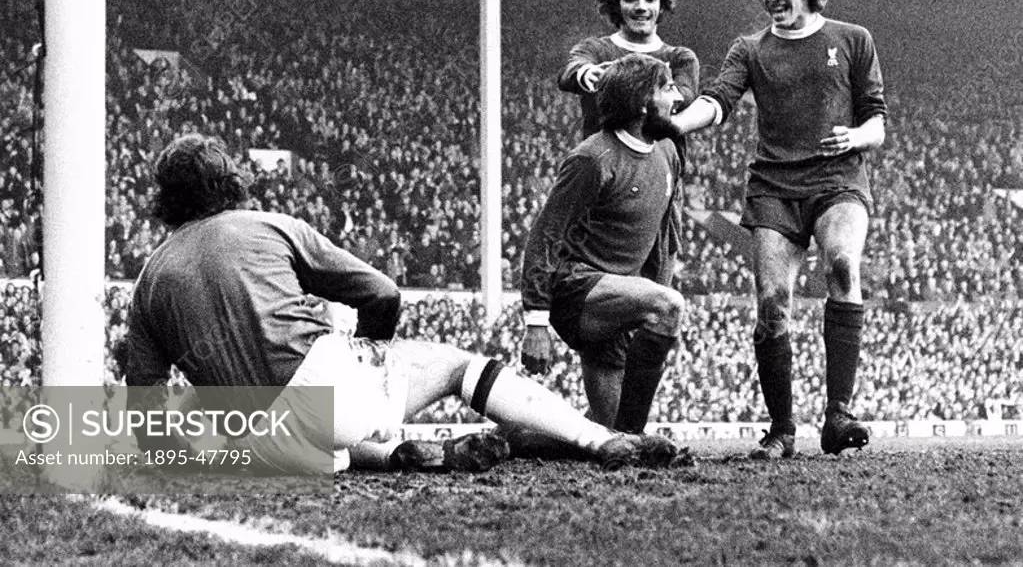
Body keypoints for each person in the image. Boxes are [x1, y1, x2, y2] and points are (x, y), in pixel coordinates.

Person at [122, 134, 680, 474]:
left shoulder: (149, 280)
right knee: (461, 367)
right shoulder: (267, 225)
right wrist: (372, 356)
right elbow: (382, 292)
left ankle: (390, 454)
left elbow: (145, 414)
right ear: (230, 183)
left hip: (261, 443)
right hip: (327, 394)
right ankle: (603, 439)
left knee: (319, 441)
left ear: (165, 202)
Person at [669, 0, 887, 459]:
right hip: (774, 188)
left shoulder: (853, 39)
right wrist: (675, 123)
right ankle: (782, 429)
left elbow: (877, 119)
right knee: (771, 303)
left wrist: (856, 137)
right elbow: (718, 100)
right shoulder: (750, 49)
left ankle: (838, 416)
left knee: (841, 267)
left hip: (838, 180)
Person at [520, 53, 688, 434]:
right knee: (668, 305)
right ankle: (637, 444)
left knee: (603, 433)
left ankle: (512, 440)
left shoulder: (668, 152)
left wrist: (644, 296)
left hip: (616, 293)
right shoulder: (592, 158)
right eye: (668, 87)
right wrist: (536, 322)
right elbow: (545, 234)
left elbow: (662, 238)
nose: (677, 97)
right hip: (574, 290)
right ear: (644, 102)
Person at [558, 0, 699, 166]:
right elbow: (570, 71)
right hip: (603, 179)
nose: (641, 6)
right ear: (617, 4)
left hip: (659, 182)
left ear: (661, 6)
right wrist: (587, 73)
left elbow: (685, 97)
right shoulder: (596, 50)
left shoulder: (679, 58)